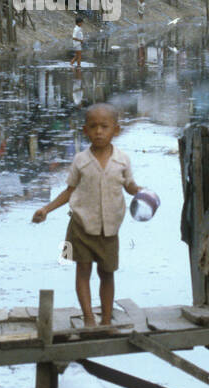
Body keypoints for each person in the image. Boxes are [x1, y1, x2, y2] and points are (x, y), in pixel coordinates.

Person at [32, 103, 144, 328]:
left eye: (105, 126)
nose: (99, 132)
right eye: (93, 127)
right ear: (85, 131)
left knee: (107, 273)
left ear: (116, 130)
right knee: (82, 271)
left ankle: (105, 318)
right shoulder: (80, 161)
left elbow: (130, 186)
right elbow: (69, 191)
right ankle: (89, 318)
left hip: (110, 229)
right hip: (80, 226)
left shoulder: (122, 160)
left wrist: (142, 192)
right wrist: (46, 209)